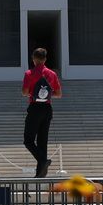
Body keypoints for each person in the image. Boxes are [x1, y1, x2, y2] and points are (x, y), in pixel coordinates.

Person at [21, 48, 61, 176]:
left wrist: (35, 93)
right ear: (45, 59)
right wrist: (47, 94)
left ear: (34, 59)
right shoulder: (52, 74)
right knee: (42, 142)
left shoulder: (29, 73)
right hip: (47, 108)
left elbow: (24, 92)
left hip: (35, 108)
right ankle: (41, 173)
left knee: (28, 140)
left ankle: (43, 161)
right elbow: (59, 94)